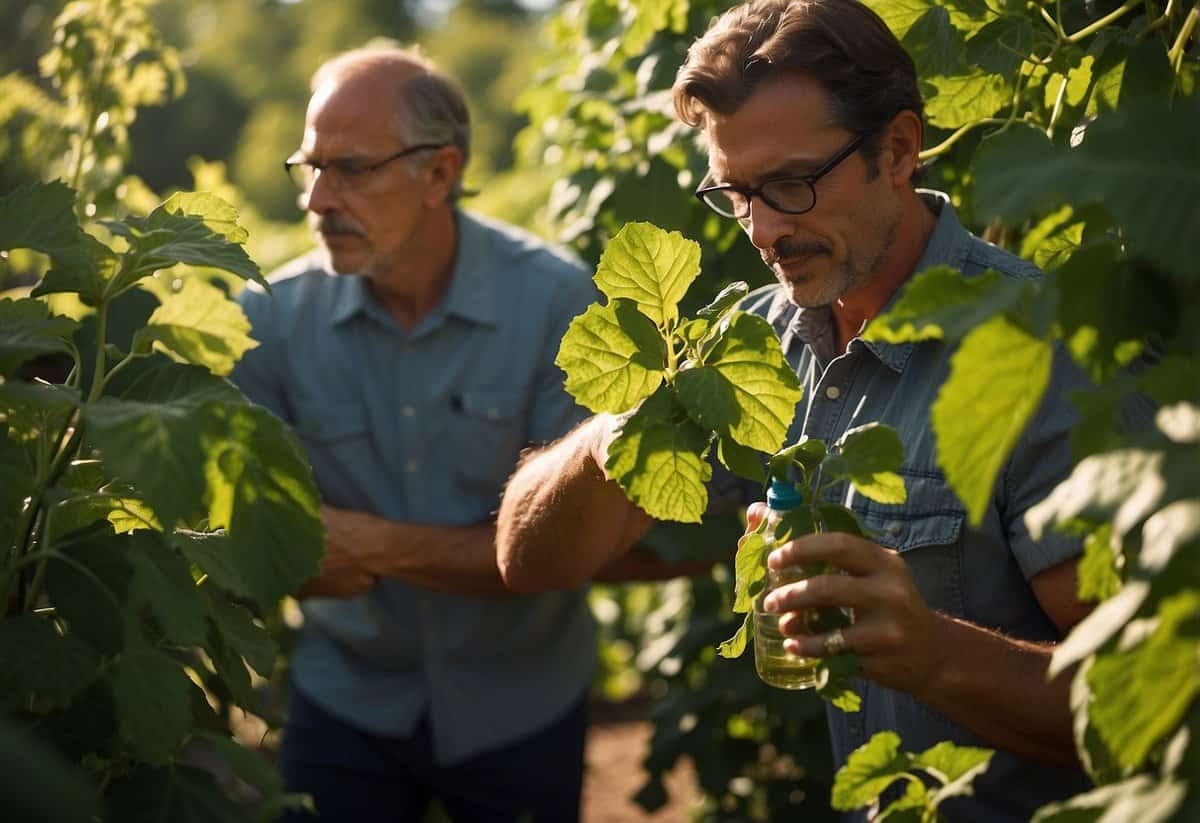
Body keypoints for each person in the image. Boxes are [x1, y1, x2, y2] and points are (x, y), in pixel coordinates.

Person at [495, 1, 1117, 819]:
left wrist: (933, 655)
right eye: (736, 192)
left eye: (791, 184)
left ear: (898, 150)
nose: (762, 230)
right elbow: (529, 561)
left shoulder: (1042, 353)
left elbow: (1151, 699)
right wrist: (622, 433)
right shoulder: (757, 342)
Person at [231, 46, 604, 822]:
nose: (317, 200)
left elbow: (550, 551)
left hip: (521, 698)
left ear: (439, 174)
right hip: (346, 699)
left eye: (352, 169)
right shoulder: (269, 319)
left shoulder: (556, 302)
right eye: (310, 167)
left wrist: (362, 543)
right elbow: (256, 542)